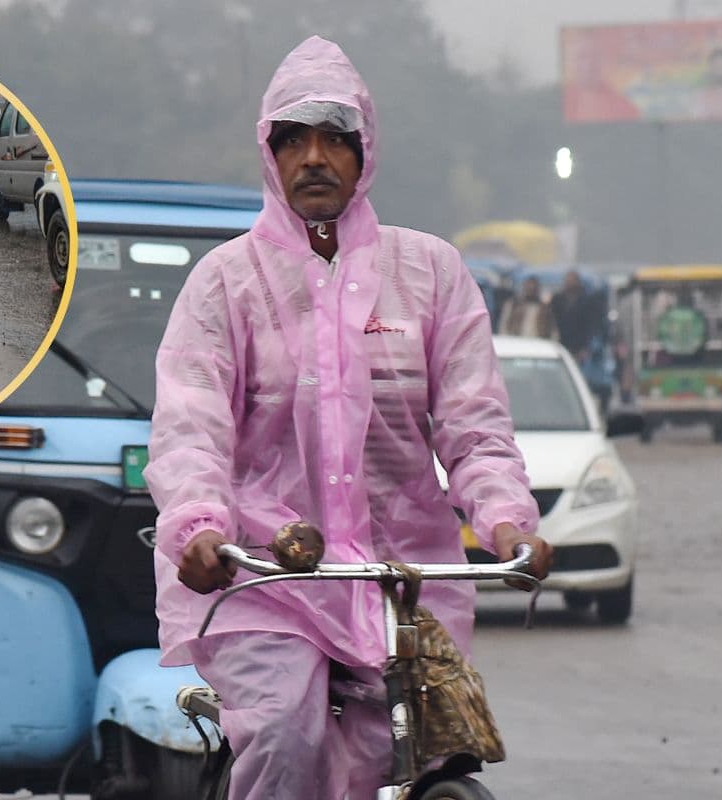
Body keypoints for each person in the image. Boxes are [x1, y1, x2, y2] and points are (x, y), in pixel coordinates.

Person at [143, 36, 553, 800]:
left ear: (367, 153)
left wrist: (506, 523)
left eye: (336, 138)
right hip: (264, 576)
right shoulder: (225, 283)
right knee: (284, 737)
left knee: (414, 756)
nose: (314, 158)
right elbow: (192, 425)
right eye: (292, 138)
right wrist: (199, 528)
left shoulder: (430, 272)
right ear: (269, 154)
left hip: (402, 578)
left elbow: (474, 428)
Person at [549, 269, 598, 362]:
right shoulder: (557, 299)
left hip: (579, 345)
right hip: (561, 342)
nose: (570, 283)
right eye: (568, 280)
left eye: (573, 280)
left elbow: (590, 325)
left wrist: (585, 347)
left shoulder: (586, 300)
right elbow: (553, 319)